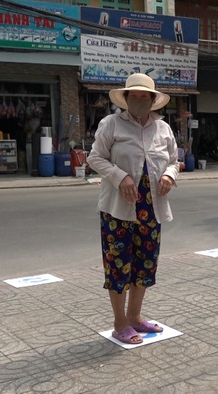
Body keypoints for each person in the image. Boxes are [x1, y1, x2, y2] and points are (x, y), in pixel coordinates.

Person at [86, 73, 179, 345]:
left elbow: (174, 160)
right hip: (118, 210)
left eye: (144, 96)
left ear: (152, 100)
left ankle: (136, 317)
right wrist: (120, 176)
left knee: (145, 265)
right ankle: (119, 323)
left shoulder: (163, 128)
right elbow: (95, 158)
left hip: (152, 209)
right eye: (134, 96)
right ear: (126, 99)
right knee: (118, 266)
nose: (139, 100)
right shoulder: (111, 124)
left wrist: (170, 175)